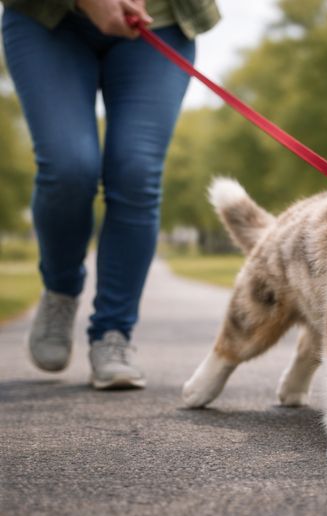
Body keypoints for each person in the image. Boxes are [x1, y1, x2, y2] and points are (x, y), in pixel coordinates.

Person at [1, 0, 219, 389]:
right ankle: (60, 289)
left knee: (136, 172)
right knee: (69, 167)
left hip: (161, 19)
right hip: (48, 19)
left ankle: (113, 334)